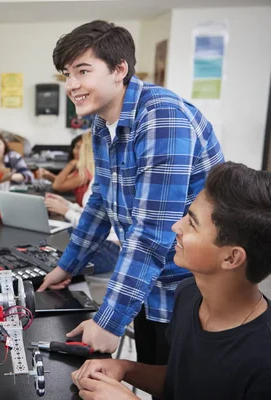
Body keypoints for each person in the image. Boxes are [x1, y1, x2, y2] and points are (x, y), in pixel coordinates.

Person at [38, 20, 224, 372]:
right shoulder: (101, 121)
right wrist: (66, 266)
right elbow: (100, 203)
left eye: (82, 71)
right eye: (67, 74)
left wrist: (109, 321)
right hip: (150, 284)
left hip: (191, 290)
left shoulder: (162, 117)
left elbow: (153, 232)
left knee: (179, 385)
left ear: (119, 69)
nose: (72, 85)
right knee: (155, 375)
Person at [71, 162, 271, 400]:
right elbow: (179, 382)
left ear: (231, 257)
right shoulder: (188, 294)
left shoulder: (263, 359)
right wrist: (125, 368)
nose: (176, 225)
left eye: (192, 224)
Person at [44, 132, 119, 274]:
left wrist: (67, 211)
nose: (76, 152)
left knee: (50, 263)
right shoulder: (99, 175)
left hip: (108, 249)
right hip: (101, 244)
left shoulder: (107, 177)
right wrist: (67, 205)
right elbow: (92, 213)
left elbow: (95, 225)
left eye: (81, 148)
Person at [38, 134, 91, 205]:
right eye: (75, 147)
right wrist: (50, 176)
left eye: (79, 148)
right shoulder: (82, 168)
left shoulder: (87, 172)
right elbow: (68, 181)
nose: (74, 151)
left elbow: (57, 186)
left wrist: (71, 164)